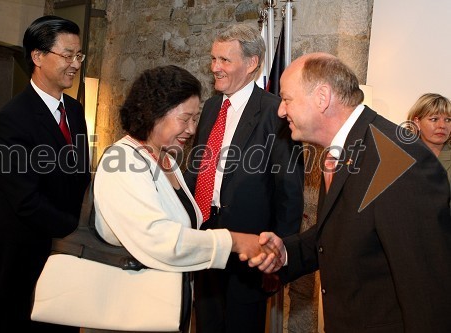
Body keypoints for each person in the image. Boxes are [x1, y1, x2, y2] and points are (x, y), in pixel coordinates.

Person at [253, 53, 451, 332]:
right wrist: (286, 252)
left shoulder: (399, 160)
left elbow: (428, 290)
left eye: (287, 99)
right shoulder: (341, 149)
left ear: (322, 97)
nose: (280, 111)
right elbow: (342, 232)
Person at [92, 65, 285, 333]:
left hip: (165, 310)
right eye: (186, 119)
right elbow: (160, 240)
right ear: (154, 113)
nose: (193, 129)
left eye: (196, 119)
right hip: (129, 311)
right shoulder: (121, 161)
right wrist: (236, 241)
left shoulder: (167, 160)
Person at [183, 24, 304, 333]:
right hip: (206, 240)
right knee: (207, 324)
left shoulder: (275, 112)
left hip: (252, 250)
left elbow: (289, 193)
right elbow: (199, 170)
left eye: (224, 60)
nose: (214, 68)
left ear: (252, 64)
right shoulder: (210, 107)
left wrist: (278, 256)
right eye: (213, 59)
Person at [0, 16, 91, 332]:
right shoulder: (11, 120)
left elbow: (79, 177)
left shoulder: (73, 110)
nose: (75, 64)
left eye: (79, 55)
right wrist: (80, 231)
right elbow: (26, 201)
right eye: (67, 55)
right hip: (27, 258)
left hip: (69, 258)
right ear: (37, 56)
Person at [407, 93, 451, 187]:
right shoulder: (402, 155)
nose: (442, 125)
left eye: (448, 120)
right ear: (417, 122)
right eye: (434, 119)